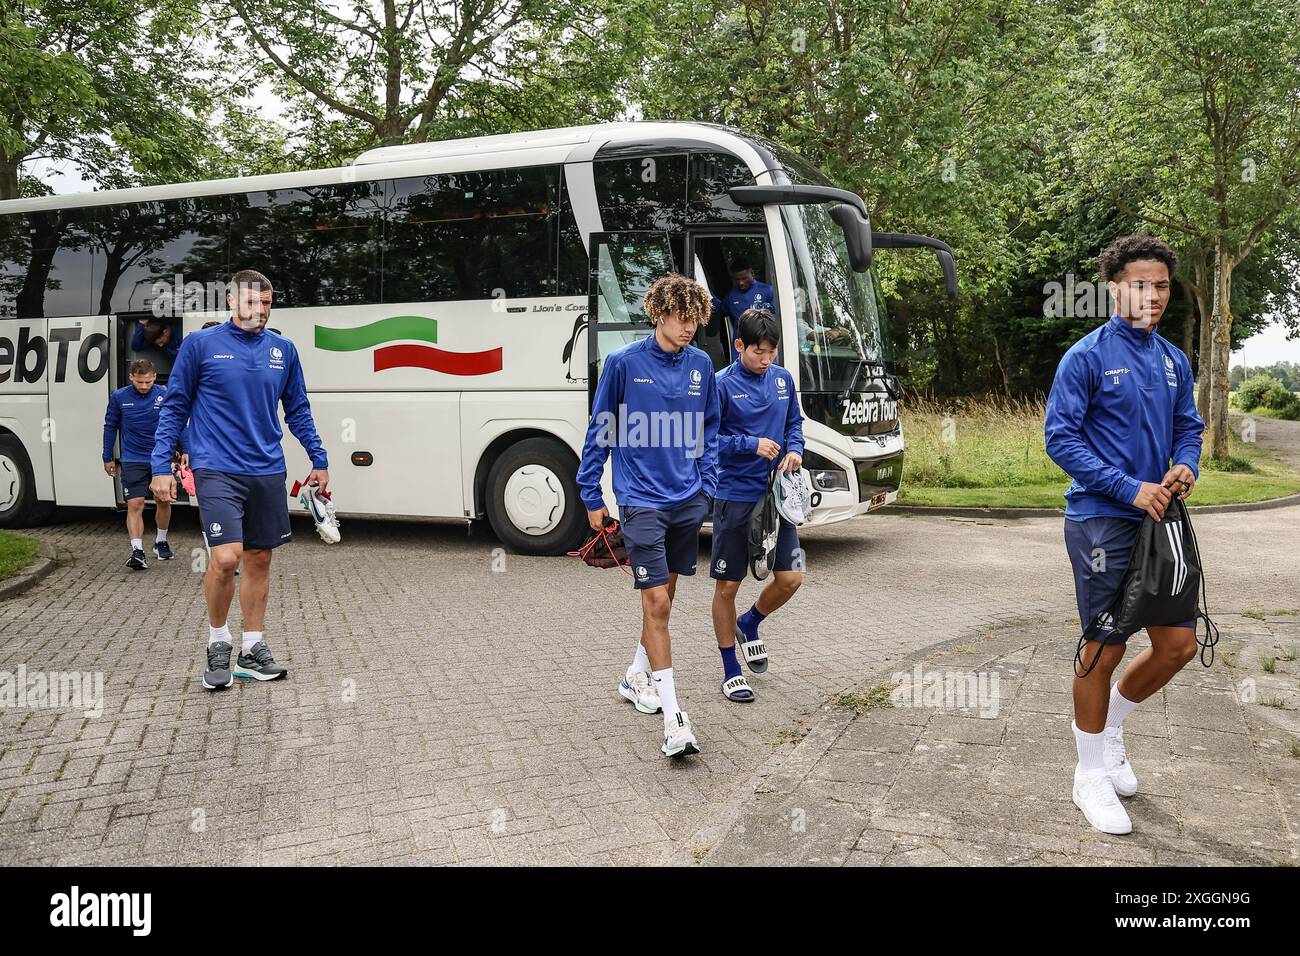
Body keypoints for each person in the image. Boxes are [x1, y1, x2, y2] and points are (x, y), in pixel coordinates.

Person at [1045, 234, 1204, 836]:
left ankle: (1109, 733)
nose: (1153, 295)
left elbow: (1188, 425)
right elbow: (1060, 439)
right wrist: (1127, 487)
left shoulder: (1172, 359)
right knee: (1105, 645)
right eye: (1141, 284)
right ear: (1115, 288)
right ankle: (1088, 777)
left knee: (1178, 645)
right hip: (1101, 519)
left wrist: (1186, 462)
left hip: (1161, 519)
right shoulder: (1084, 356)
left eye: (1162, 285)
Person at [150, 269, 329, 691]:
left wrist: (319, 457)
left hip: (267, 468)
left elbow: (298, 408)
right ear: (232, 301)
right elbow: (174, 407)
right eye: (253, 303)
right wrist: (161, 467)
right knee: (227, 558)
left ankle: (252, 648)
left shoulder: (283, 350)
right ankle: (218, 643)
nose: (261, 311)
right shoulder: (200, 345)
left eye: (267, 303)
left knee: (260, 559)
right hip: (216, 468)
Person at [576, 273, 720, 757]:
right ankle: (675, 720)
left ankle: (637, 675)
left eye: (696, 321)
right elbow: (601, 429)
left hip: (686, 501)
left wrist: (708, 485)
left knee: (666, 597)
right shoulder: (622, 364)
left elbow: (710, 430)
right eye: (682, 319)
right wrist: (590, 493)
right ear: (659, 313)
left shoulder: (701, 364)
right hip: (640, 501)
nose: (689, 329)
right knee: (657, 603)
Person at [710, 309, 804, 701]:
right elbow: (705, 440)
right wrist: (750, 444)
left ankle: (751, 623)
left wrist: (795, 450)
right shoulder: (720, 386)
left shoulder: (783, 380)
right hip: (735, 496)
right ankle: (731, 669)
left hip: (776, 499)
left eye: (771, 352)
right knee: (728, 586)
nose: (766, 360)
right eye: (758, 353)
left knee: (790, 579)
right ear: (738, 347)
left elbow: (794, 425)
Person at [102, 359, 174, 568]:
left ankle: (161, 541)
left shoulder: (164, 394)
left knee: (163, 501)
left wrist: (185, 449)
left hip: (160, 458)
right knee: (135, 504)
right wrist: (107, 457)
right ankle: (137, 551)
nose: (144, 387)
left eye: (148, 382)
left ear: (154, 378)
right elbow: (110, 426)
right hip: (132, 458)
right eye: (140, 382)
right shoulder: (119, 397)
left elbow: (177, 423)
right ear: (131, 378)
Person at [711, 258, 776, 362]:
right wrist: (708, 296)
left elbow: (776, 321)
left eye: (744, 278)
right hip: (740, 352)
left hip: (763, 350)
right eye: (737, 279)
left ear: (751, 273)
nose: (741, 282)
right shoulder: (731, 296)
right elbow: (719, 310)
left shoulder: (768, 291)